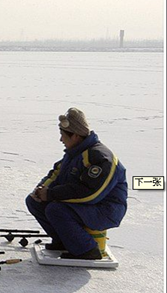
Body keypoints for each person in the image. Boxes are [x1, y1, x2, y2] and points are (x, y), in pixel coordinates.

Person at [25, 108, 128, 260]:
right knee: (34, 202)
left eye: (63, 135)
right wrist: (40, 191)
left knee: (56, 209)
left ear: (75, 136)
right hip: (87, 206)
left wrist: (51, 194)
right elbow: (55, 175)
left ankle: (87, 249)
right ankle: (64, 241)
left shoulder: (100, 157)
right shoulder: (74, 153)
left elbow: (91, 194)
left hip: (106, 209)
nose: (61, 140)